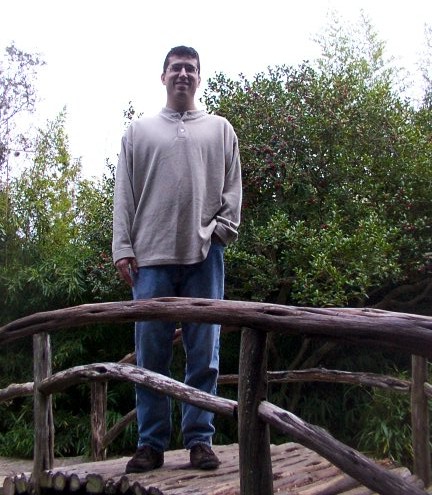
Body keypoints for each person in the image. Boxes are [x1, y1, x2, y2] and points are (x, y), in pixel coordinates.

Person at [112, 45, 242, 473]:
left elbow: (233, 189)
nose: (183, 74)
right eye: (176, 68)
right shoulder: (139, 131)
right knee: (151, 355)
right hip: (150, 258)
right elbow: (124, 193)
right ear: (163, 76)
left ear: (199, 77)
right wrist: (123, 248)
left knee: (204, 353)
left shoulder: (220, 129)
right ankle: (150, 444)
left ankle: (200, 440)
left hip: (205, 255)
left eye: (190, 68)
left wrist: (221, 232)